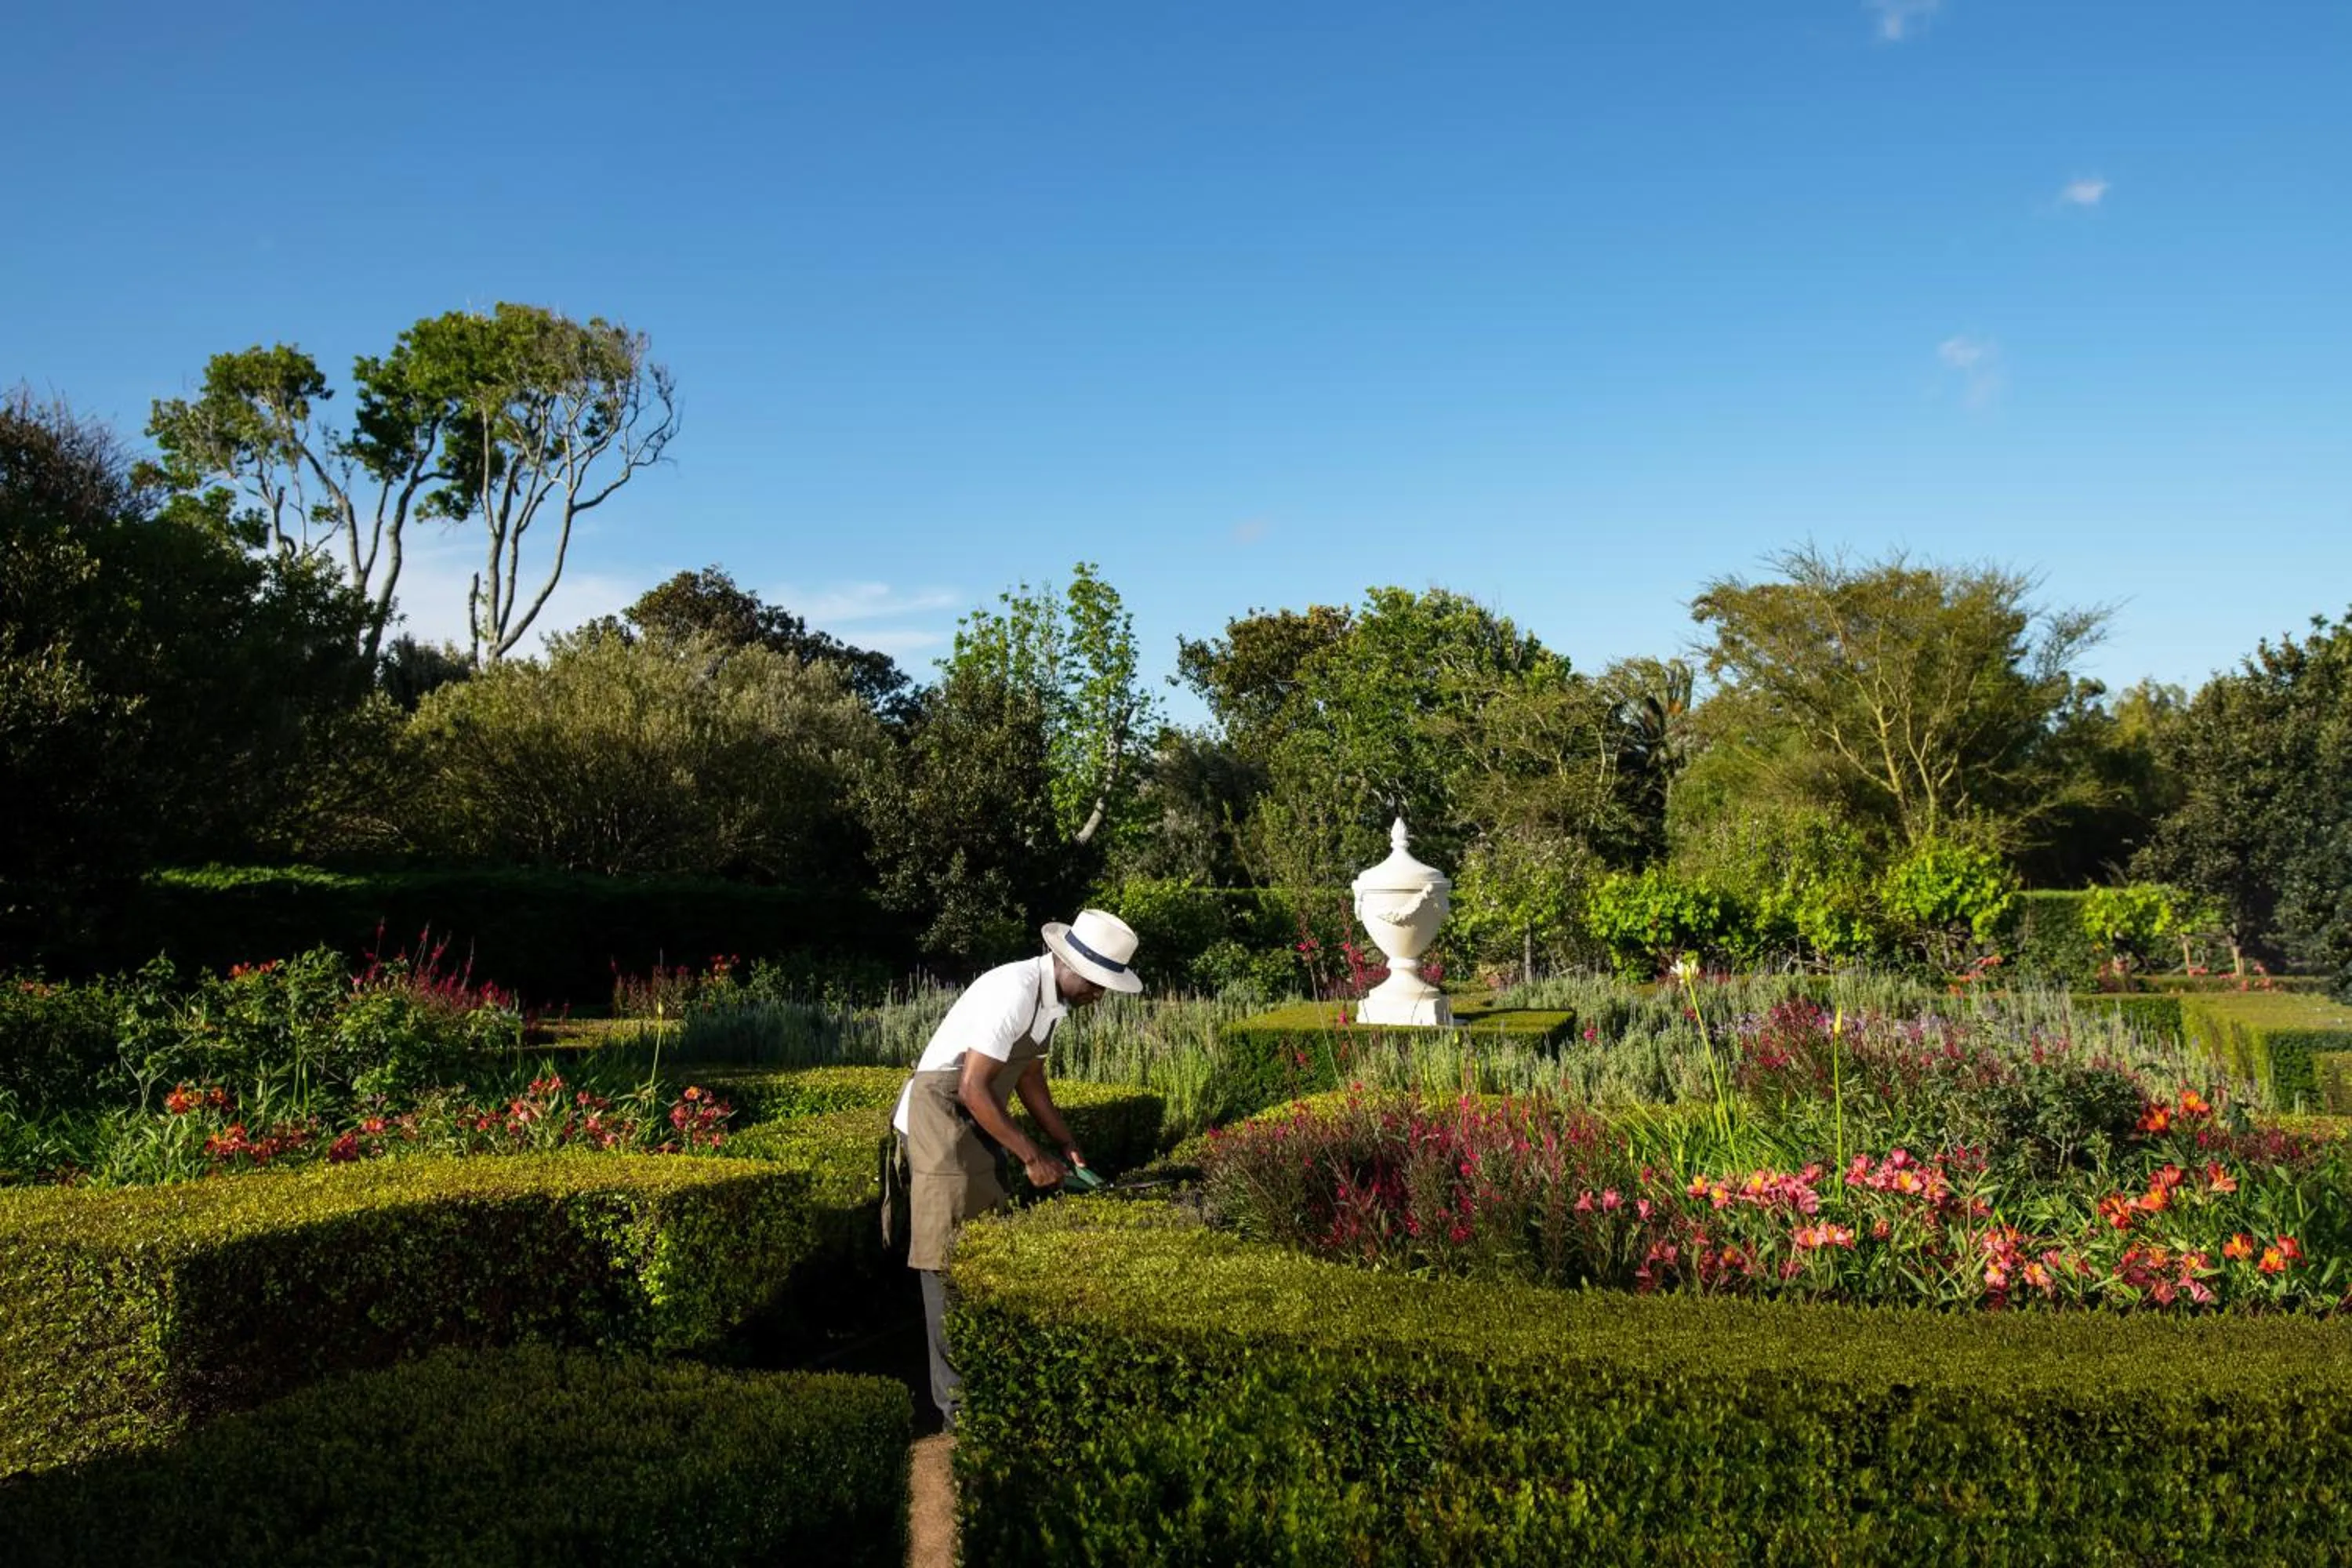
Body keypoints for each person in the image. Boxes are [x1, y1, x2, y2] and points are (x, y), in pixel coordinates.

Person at [889, 909, 1143, 1431]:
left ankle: (982, 1380)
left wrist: (1065, 1142)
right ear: (1070, 966)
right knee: (944, 1258)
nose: (1099, 997)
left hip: (976, 1117)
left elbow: (1028, 1078)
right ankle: (956, 1413)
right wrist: (1031, 1157)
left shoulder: (1054, 1004)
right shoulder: (1016, 989)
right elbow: (971, 1088)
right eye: (1097, 985)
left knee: (982, 1242)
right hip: (941, 1115)